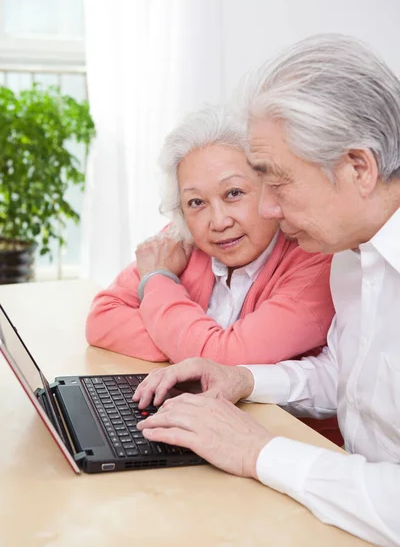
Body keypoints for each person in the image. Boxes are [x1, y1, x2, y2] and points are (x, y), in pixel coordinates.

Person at [135, 34, 400, 547]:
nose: (269, 210)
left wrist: (259, 451)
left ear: (358, 168)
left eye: (276, 183)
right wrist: (242, 379)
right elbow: (354, 380)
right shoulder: (352, 256)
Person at [86, 106, 334, 368]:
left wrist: (159, 280)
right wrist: (196, 347)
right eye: (196, 202)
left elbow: (225, 361)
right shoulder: (181, 239)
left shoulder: (316, 258)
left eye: (234, 193)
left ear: (270, 187)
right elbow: (102, 319)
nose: (218, 221)